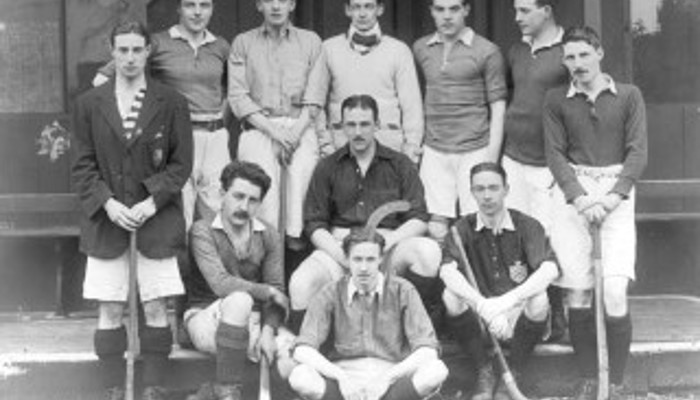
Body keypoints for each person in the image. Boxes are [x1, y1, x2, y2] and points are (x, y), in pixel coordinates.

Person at [71, 21, 193, 400]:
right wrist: (107, 203)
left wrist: (150, 201)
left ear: (148, 51)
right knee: (109, 307)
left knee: (156, 307)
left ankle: (154, 389)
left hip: (154, 220)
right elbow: (81, 165)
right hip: (106, 222)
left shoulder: (170, 102)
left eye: (137, 50)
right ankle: (112, 390)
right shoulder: (89, 104)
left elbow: (180, 164)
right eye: (122, 50)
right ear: (111, 51)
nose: (129, 58)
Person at [543, 26, 647, 400]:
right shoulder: (556, 99)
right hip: (574, 200)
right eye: (569, 57)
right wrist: (581, 198)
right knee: (579, 295)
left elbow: (637, 152)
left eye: (584, 55)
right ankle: (589, 377)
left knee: (615, 292)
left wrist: (612, 197)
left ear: (599, 53)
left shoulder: (629, 96)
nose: (577, 64)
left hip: (616, 196)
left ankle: (614, 382)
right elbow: (554, 154)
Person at [288, 94, 441, 335]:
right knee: (300, 283)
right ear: (341, 127)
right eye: (351, 124)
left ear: (377, 125)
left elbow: (419, 217)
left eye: (365, 124)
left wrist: (387, 243)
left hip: (388, 247)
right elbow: (314, 223)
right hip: (340, 247)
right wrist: (342, 256)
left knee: (428, 253)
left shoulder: (399, 164)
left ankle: (410, 331)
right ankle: (311, 352)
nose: (358, 132)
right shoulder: (327, 167)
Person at [94, 0, 231, 229]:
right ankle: (178, 266)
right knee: (180, 208)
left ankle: (211, 265)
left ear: (212, 9)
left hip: (215, 137)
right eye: (190, 5)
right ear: (178, 8)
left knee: (217, 212)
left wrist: (220, 121)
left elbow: (229, 91)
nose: (197, 12)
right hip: (177, 138)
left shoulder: (221, 46)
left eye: (204, 5)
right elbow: (102, 80)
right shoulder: (157, 42)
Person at [436, 162, 559, 400]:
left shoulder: (527, 225)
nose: (487, 195)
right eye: (480, 189)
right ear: (471, 192)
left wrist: (506, 302)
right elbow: (446, 272)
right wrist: (482, 306)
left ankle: (514, 372)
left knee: (540, 298)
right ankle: (484, 371)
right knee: (450, 296)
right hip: (480, 316)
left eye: (493, 188)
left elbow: (550, 269)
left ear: (506, 190)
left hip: (516, 315)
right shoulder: (461, 228)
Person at [288, 229, 448, 400]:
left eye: (370, 259)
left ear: (381, 259)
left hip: (391, 377)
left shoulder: (403, 290)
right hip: (344, 381)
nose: (364, 267)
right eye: (357, 259)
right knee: (300, 376)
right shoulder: (330, 292)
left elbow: (428, 350)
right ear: (347, 260)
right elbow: (302, 349)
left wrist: (386, 378)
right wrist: (341, 377)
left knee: (436, 370)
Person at [184, 161, 291, 400]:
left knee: (293, 355)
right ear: (223, 194)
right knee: (240, 300)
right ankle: (227, 391)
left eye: (253, 200)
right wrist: (268, 292)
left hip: (251, 324)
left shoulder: (269, 235)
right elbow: (221, 284)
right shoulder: (203, 231)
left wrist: (268, 329)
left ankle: (209, 394)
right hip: (205, 319)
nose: (244, 206)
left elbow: (277, 290)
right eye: (238, 196)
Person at [230, 0, 325, 246]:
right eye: (268, 0)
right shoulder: (243, 42)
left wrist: (293, 134)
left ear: (292, 4)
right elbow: (238, 96)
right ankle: (262, 270)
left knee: (299, 204)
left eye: (282, 0)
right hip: (260, 128)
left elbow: (315, 95)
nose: (276, 6)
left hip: (300, 128)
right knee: (259, 203)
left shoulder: (311, 42)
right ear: (258, 5)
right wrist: (275, 133)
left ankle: (293, 272)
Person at [413, 0, 507, 242]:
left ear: (466, 10)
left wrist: (491, 160)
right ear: (431, 11)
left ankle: (476, 278)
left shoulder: (487, 51)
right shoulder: (421, 48)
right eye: (440, 9)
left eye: (454, 9)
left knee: (477, 221)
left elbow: (498, 106)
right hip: (435, 148)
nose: (447, 16)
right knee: (435, 223)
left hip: (474, 147)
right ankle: (445, 276)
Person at [503, 0, 569, 342]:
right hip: (512, 159)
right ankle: (528, 315)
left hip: (547, 164)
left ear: (546, 9)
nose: (517, 18)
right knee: (516, 237)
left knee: (547, 239)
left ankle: (557, 316)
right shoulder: (516, 51)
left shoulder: (567, 52)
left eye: (525, 10)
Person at [303, 0, 424, 163]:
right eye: (356, 7)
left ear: (380, 9)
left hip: (389, 149)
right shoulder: (328, 49)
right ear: (347, 10)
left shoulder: (399, 51)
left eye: (368, 6)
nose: (362, 13)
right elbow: (315, 102)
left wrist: (411, 146)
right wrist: (325, 145)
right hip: (341, 148)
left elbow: (412, 106)